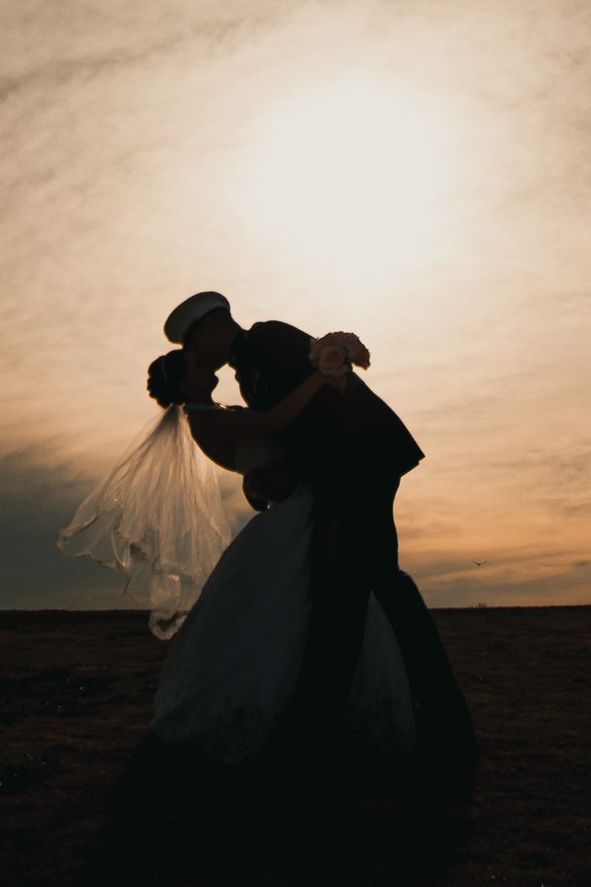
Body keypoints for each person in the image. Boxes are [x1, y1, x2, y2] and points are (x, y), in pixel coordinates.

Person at [165, 290, 476, 774]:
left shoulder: (269, 339)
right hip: (339, 474)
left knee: (358, 591)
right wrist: (277, 475)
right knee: (366, 588)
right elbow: (291, 428)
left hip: (358, 464)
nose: (199, 356)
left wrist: (296, 473)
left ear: (210, 328)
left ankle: (329, 730)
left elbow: (328, 401)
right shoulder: (248, 372)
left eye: (195, 343)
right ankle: (413, 723)